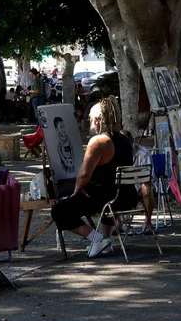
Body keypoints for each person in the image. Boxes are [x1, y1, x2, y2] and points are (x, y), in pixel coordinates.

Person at [50, 96, 137, 257]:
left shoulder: (99, 141)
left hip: (107, 199)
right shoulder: (124, 139)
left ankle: (97, 239)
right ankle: (105, 240)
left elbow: (83, 175)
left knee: (59, 210)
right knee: (103, 195)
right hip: (127, 196)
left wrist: (76, 192)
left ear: (97, 120)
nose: (88, 121)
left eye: (89, 118)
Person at [120, 129, 155, 234]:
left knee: (147, 188)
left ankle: (147, 222)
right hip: (121, 190)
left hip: (139, 188)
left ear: (132, 142)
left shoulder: (142, 153)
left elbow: (149, 178)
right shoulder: (115, 154)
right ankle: (117, 223)